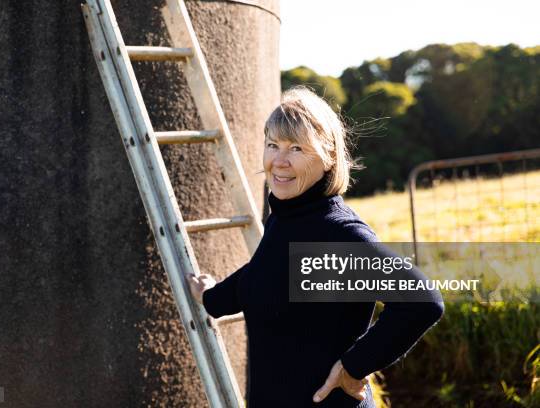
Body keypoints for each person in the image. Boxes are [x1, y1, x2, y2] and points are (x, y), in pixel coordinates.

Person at [186, 86, 444, 407]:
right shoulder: (285, 219)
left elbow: (422, 301)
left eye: (296, 148)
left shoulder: (339, 233)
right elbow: (267, 272)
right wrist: (212, 297)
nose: (279, 161)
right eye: (272, 145)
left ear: (328, 157)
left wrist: (355, 366)